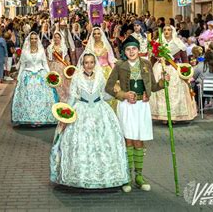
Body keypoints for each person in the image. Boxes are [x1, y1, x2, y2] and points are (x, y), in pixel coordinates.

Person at [49, 52, 129, 190]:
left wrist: (116, 92)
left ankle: (108, 175)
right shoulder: (77, 77)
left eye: (92, 62)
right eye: (86, 62)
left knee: (105, 140)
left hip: (100, 111)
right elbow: (73, 97)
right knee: (79, 142)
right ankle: (80, 176)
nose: (89, 65)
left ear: (94, 63)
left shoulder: (100, 76)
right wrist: (66, 114)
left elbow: (104, 95)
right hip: (81, 110)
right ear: (82, 64)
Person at [105, 36, 168, 192]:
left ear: (138, 50)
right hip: (126, 106)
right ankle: (126, 176)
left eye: (134, 49)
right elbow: (109, 87)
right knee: (129, 140)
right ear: (124, 52)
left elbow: (152, 86)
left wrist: (162, 82)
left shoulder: (146, 63)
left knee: (139, 140)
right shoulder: (120, 65)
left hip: (142, 107)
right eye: (128, 49)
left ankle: (139, 176)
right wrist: (123, 95)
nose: (131, 51)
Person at [150, 25, 197, 122]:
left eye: (169, 30)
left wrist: (187, 72)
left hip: (174, 70)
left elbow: (185, 60)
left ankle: (174, 116)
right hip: (160, 69)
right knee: (160, 93)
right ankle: (163, 116)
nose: (167, 31)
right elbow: (153, 58)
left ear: (173, 31)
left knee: (175, 93)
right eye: (165, 30)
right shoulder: (158, 43)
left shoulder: (179, 43)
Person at [11, 32, 58, 125]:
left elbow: (45, 64)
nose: (33, 40)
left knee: (42, 97)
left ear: (37, 40)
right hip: (28, 75)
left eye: (35, 39)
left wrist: (49, 76)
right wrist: (19, 77)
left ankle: (41, 117)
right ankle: (29, 118)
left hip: (41, 75)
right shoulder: (25, 52)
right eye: (32, 39)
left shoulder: (41, 51)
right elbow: (23, 65)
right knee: (28, 97)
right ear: (29, 40)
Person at [47, 32, 72, 102]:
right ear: (53, 38)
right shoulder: (50, 47)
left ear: (60, 38)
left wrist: (69, 66)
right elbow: (49, 59)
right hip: (53, 66)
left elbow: (66, 57)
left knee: (63, 83)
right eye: (55, 37)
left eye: (58, 37)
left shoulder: (63, 47)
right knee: (54, 81)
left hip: (62, 66)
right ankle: (55, 97)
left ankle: (63, 98)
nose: (56, 39)